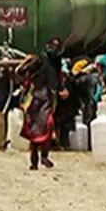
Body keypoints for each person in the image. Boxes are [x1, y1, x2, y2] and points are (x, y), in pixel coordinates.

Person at [17, 38, 66, 170]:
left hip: (48, 99)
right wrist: (26, 62)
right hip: (35, 99)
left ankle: (44, 156)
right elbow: (20, 71)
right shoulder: (39, 59)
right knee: (34, 131)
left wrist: (62, 89)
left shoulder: (57, 63)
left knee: (48, 127)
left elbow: (57, 79)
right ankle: (34, 161)